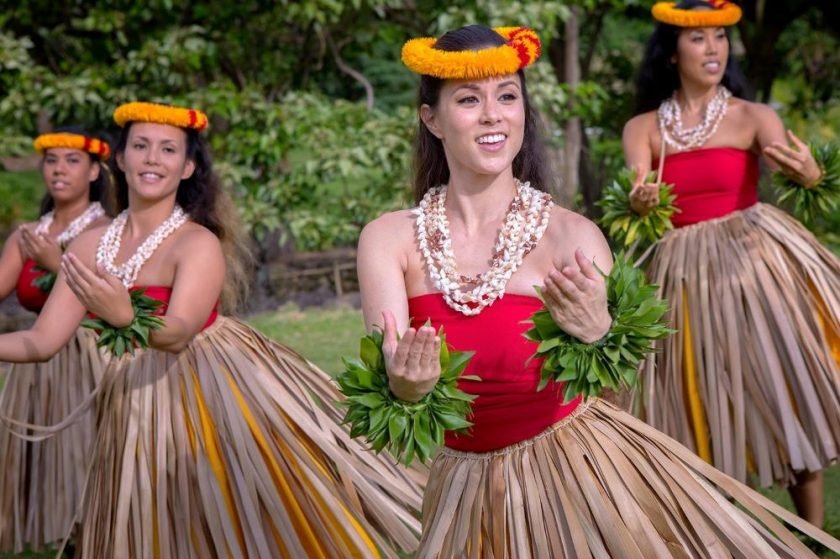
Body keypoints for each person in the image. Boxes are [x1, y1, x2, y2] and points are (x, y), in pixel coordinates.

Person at [358, 24, 840, 557]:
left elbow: (621, 393)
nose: (493, 114)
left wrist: (600, 334)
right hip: (463, 489)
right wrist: (406, 388)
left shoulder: (573, 235)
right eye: (469, 100)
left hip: (572, 477)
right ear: (432, 118)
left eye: (508, 96)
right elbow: (392, 377)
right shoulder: (388, 240)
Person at [0, 102, 423, 558]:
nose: (151, 159)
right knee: (146, 522)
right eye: (140, 146)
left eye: (167, 150)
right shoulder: (87, 246)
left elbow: (179, 330)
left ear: (188, 166)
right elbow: (41, 341)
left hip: (204, 391)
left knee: (214, 519)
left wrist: (124, 315)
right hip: (129, 399)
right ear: (120, 160)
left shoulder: (197, 242)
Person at [622, 0, 840, 527]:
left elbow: (790, 162)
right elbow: (636, 191)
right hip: (681, 279)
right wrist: (641, 201)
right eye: (699, 39)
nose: (713, 48)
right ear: (672, 53)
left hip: (753, 270)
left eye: (720, 37)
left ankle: (814, 533)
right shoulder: (644, 127)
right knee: (697, 397)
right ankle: (717, 529)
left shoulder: (754, 115)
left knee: (779, 384)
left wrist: (810, 175)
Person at [0, 128, 112, 552]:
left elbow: (116, 298)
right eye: (51, 161)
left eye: (71, 160)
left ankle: (92, 533)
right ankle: (57, 536)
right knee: (45, 461)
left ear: (95, 171)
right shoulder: (27, 235)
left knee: (85, 456)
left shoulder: (111, 231)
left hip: (89, 361)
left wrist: (59, 262)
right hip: (34, 362)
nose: (59, 169)